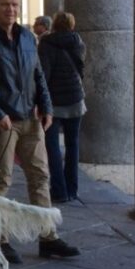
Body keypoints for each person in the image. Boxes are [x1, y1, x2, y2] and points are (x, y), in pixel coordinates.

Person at [0, 0, 80, 263]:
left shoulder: (28, 37)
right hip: (2, 122)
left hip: (30, 119)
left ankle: (48, 237)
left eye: (15, 5)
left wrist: (47, 106)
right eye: (5, 5)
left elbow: (38, 75)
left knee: (41, 177)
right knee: (0, 181)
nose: (11, 10)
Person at [38, 12, 86, 203]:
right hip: (75, 98)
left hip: (54, 102)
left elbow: (44, 74)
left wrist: (41, 101)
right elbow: (81, 68)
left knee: (52, 147)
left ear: (54, 25)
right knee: (73, 145)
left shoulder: (46, 44)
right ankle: (73, 189)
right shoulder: (78, 42)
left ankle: (59, 190)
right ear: (72, 25)